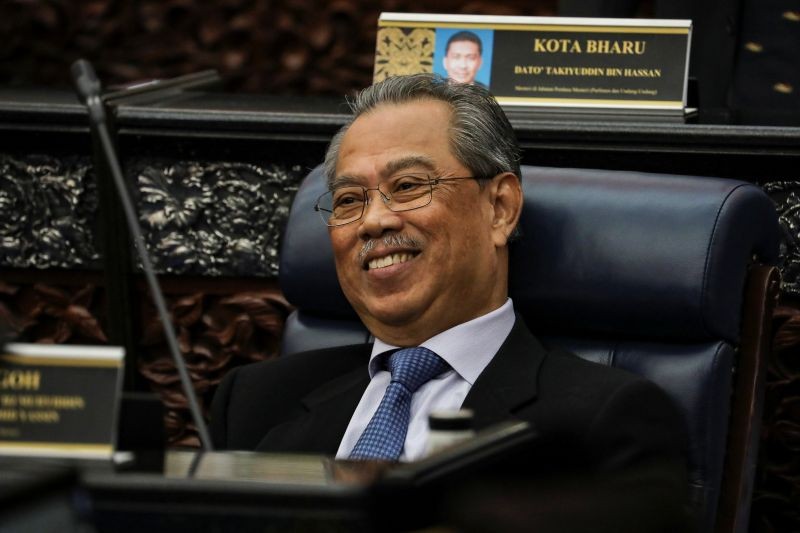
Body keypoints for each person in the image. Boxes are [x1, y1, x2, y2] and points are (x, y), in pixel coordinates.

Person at [210, 74, 686, 485]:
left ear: (499, 208)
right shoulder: (256, 402)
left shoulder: (601, 419)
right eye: (350, 200)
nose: (374, 221)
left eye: (409, 186)